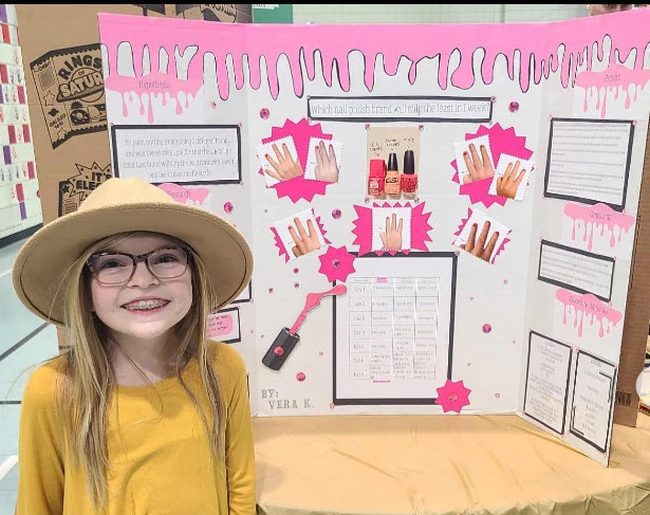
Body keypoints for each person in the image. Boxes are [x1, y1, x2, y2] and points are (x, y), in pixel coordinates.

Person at [12, 177, 256, 514]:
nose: (143, 280)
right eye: (112, 264)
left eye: (166, 258)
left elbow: (239, 488)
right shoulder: (55, 390)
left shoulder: (222, 367)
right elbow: (37, 505)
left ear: (193, 277)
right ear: (85, 291)